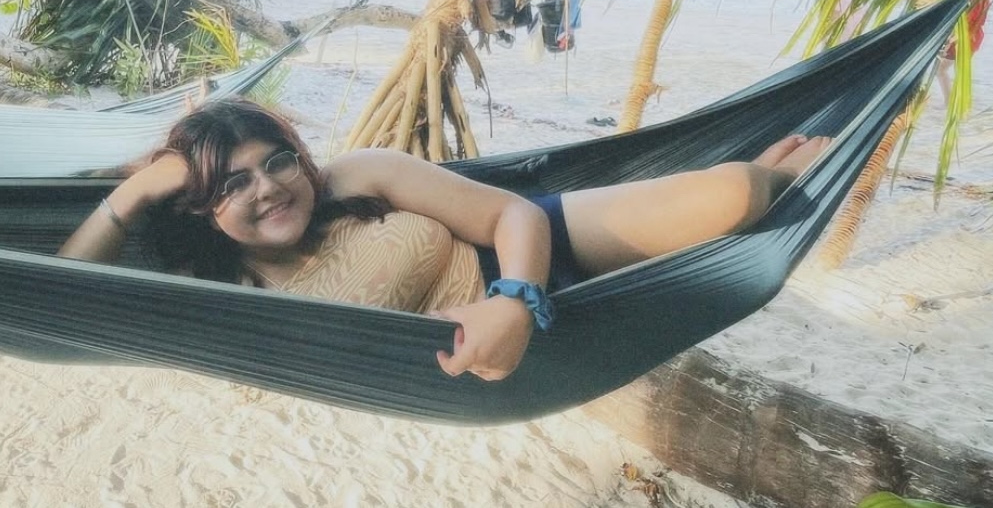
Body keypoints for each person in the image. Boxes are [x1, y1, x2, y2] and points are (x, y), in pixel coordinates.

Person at [59, 99, 830, 382]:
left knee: (739, 195)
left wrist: (515, 299)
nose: (268, 189)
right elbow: (62, 304)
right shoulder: (221, 292)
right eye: (231, 185)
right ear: (198, 209)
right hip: (488, 346)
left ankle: (783, 158)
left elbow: (511, 215)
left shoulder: (356, 176)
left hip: (537, 253)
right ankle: (767, 171)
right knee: (733, 200)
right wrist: (132, 194)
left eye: (276, 161)